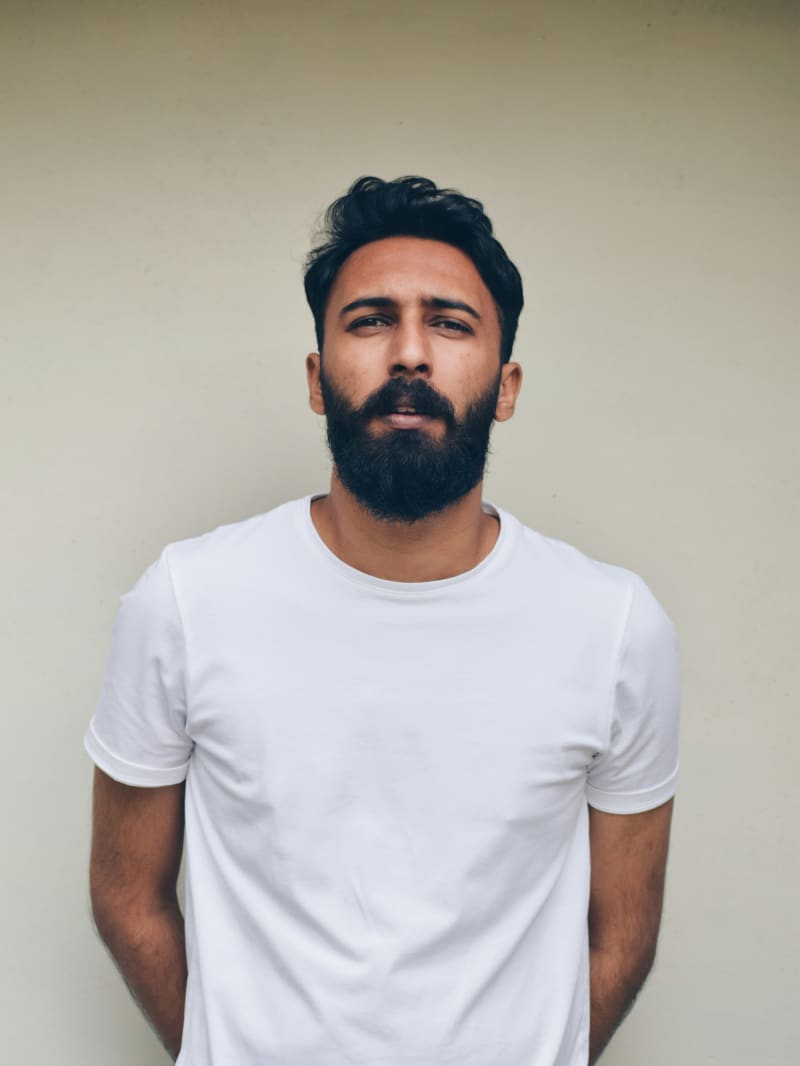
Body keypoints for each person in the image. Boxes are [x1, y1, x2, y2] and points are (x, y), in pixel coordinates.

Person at [85, 175, 680, 1066]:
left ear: (506, 385)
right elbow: (128, 898)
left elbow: (621, 935)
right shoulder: (187, 600)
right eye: (369, 320)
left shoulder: (614, 626)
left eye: (449, 322)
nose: (409, 353)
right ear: (320, 380)